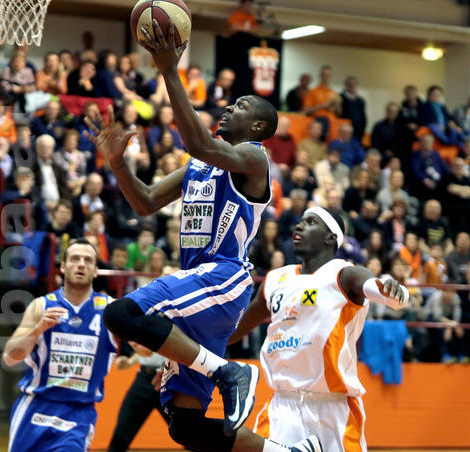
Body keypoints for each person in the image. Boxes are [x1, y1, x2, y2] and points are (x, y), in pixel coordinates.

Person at [100, 21, 317, 452]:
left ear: (258, 127)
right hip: (200, 288)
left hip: (222, 277)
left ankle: (228, 373)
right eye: (231, 103)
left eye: (241, 106)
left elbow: (200, 143)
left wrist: (168, 70)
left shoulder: (254, 159)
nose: (229, 108)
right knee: (185, 425)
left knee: (120, 314)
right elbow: (145, 202)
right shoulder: (199, 167)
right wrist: (119, 165)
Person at [228, 207, 408, 451]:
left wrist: (392, 291)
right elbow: (234, 331)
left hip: (333, 410)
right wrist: (193, 350)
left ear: (330, 238)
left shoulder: (344, 274)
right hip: (283, 407)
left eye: (311, 222)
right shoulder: (275, 279)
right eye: (300, 221)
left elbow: (372, 285)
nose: (299, 226)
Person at [3, 239, 117, 452]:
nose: (81, 264)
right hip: (35, 406)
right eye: (75, 259)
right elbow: (9, 357)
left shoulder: (111, 311)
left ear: (95, 270)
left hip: (78, 413)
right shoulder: (41, 306)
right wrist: (37, 330)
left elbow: (144, 349)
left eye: (88, 260)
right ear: (63, 267)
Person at [108, 343, 168, 452]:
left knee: (187, 434)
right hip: (144, 377)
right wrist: (129, 362)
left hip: (170, 379)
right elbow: (145, 349)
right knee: (121, 433)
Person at [340, 76, 367, 142]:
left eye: (354, 85)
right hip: (344, 132)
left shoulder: (361, 101)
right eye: (350, 84)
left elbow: (363, 117)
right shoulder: (340, 98)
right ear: (346, 85)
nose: (352, 86)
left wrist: (362, 131)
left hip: (357, 133)